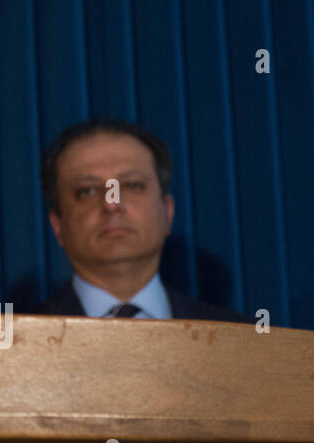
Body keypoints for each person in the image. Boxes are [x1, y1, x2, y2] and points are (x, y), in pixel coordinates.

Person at [32, 117, 248, 323]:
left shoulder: (244, 342)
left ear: (167, 211)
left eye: (132, 185)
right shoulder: (13, 344)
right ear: (57, 225)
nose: (111, 204)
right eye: (88, 190)